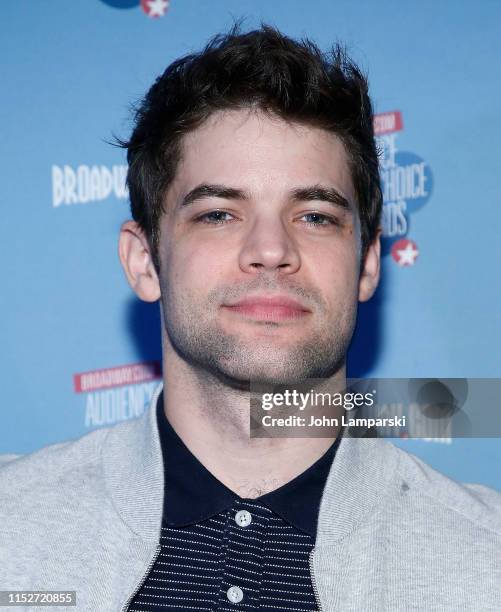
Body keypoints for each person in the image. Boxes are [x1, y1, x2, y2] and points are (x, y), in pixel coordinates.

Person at [1, 24, 500, 612]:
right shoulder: (14, 531)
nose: (270, 248)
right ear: (144, 261)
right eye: (218, 214)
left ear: (367, 264)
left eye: (314, 215)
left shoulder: (485, 562)